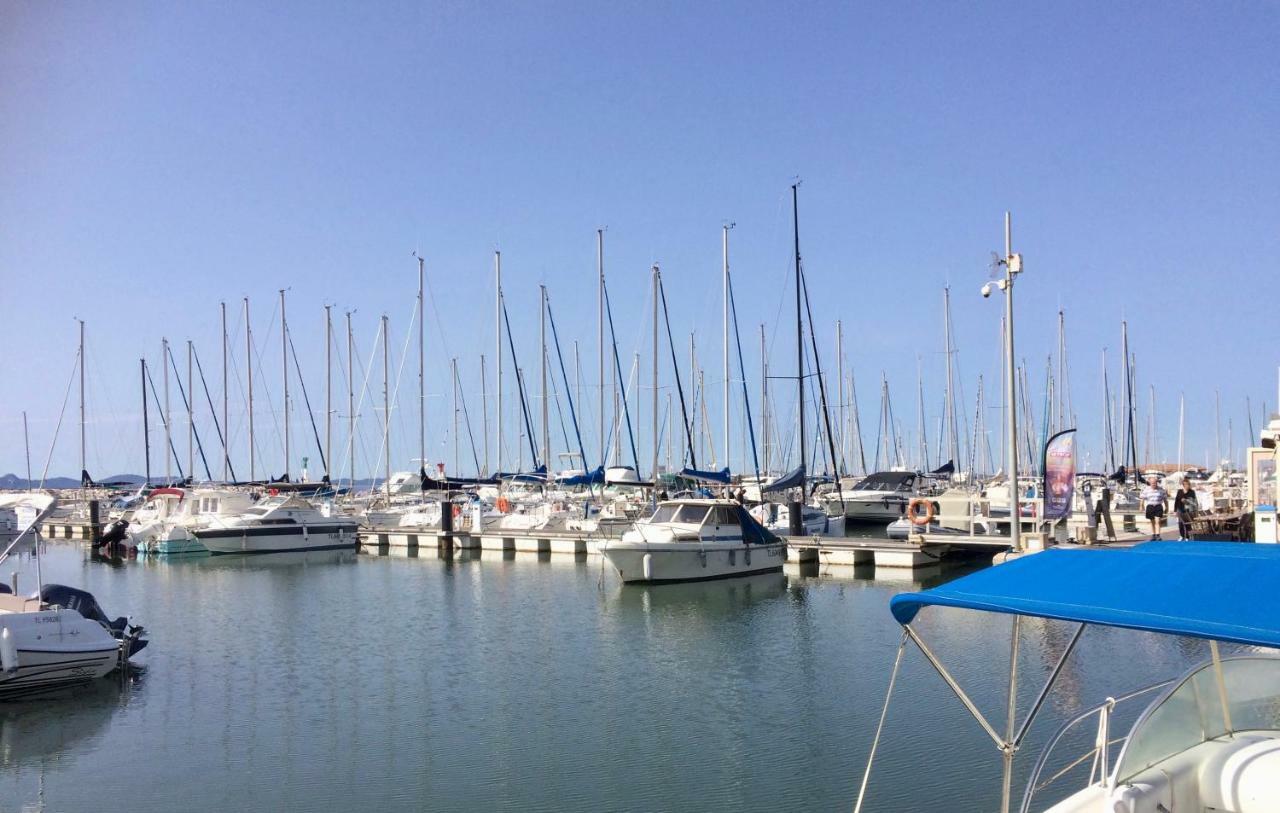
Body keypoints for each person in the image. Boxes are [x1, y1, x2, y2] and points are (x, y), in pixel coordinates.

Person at [1140, 475, 1169, 540]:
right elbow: (1142, 498)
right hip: (1150, 506)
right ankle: (1153, 535)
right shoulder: (1146, 489)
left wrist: (1167, 507)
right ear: (1150, 483)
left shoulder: (1161, 489)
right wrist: (1141, 506)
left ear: (1157, 483)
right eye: (1152, 483)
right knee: (1152, 521)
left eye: (1155, 483)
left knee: (1158, 521)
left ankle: (1158, 535)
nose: (1154, 484)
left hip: (1158, 506)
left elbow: (1165, 499)